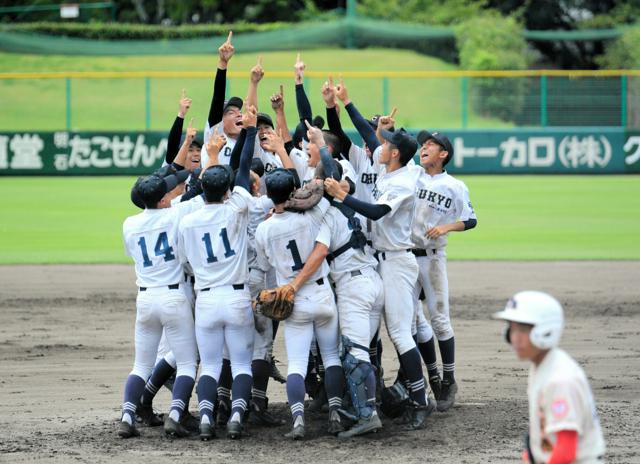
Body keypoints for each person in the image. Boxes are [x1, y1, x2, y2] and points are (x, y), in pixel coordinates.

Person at [324, 123, 435, 430]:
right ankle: (364, 403)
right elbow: (373, 137)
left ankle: (419, 400)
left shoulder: (402, 182)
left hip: (398, 263)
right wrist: (346, 104)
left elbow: (375, 213)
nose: (377, 147)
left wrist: (342, 197)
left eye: (385, 145)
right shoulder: (394, 169)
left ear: (395, 153)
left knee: (400, 333)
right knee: (368, 335)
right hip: (381, 261)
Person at [253, 123, 344, 440]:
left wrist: (289, 284)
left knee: (296, 363)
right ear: (293, 191)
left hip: (291, 302)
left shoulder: (264, 229)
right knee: (331, 357)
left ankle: (298, 422)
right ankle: (335, 414)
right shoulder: (313, 215)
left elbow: (265, 263)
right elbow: (321, 251)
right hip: (321, 295)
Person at [177, 105, 258, 440]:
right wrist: (250, 131)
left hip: (206, 299)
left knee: (209, 365)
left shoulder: (188, 218)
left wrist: (209, 156)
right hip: (237, 296)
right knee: (240, 364)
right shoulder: (237, 210)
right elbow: (240, 171)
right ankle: (237, 416)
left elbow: (184, 262)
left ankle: (207, 419)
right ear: (226, 191)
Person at [119, 167, 203, 439]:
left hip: (145, 298)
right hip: (173, 297)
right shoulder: (176, 213)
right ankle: (176, 416)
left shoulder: (129, 223)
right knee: (188, 363)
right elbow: (200, 192)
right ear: (163, 199)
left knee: (140, 365)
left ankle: (127, 416)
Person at [493, 291, 606, 464]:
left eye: (523, 330)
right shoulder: (542, 365)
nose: (515, 338)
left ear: (546, 330)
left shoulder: (560, 380)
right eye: (512, 329)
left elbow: (566, 451)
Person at [410, 130, 477, 412]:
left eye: (430, 145)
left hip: (433, 258)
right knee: (411, 320)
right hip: (403, 258)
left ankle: (449, 379)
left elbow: (470, 220)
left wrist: (447, 227)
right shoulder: (411, 175)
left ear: (443, 154)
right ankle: (433, 376)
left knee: (439, 319)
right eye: (422, 144)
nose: (424, 147)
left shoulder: (455, 186)